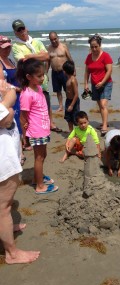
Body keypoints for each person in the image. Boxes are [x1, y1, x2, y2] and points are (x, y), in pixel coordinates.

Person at [0, 79, 40, 264]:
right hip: (2, 159)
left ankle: (6, 228)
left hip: (7, 154)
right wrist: (8, 101)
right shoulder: (7, 95)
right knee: (3, 207)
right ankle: (11, 253)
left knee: (5, 205)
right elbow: (5, 118)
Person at [16, 58, 59, 194]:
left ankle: (36, 178)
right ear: (29, 77)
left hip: (43, 128)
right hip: (36, 131)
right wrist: (25, 137)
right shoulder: (26, 94)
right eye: (39, 76)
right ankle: (40, 186)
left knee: (43, 155)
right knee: (39, 157)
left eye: (43, 75)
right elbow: (23, 117)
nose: (42, 78)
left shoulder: (38, 88)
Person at [11, 19, 61, 133]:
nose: (22, 31)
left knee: (46, 102)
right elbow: (23, 62)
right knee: (30, 107)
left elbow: (47, 56)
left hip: (42, 80)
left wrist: (30, 56)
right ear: (15, 33)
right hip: (29, 82)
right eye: (18, 30)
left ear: (26, 28)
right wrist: (37, 56)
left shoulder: (37, 42)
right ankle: (33, 127)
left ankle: (50, 123)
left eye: (22, 28)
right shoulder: (16, 46)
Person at [0, 35, 26, 165]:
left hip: (18, 97)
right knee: (12, 124)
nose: (7, 50)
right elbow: (2, 83)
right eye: (4, 48)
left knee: (20, 124)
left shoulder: (10, 60)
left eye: (9, 47)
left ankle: (20, 151)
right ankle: (17, 155)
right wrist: (17, 89)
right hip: (9, 99)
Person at [84, 34, 113, 136]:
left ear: (100, 45)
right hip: (95, 84)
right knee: (100, 105)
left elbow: (109, 70)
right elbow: (87, 72)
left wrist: (102, 82)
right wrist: (86, 84)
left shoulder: (105, 56)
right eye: (92, 47)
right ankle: (103, 122)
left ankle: (104, 125)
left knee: (103, 104)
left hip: (106, 83)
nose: (94, 49)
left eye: (96, 46)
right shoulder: (89, 57)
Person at [48, 31, 74, 112]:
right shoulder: (49, 48)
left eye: (55, 39)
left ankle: (69, 104)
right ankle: (60, 106)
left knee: (68, 89)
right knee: (58, 91)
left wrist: (73, 72)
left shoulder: (63, 46)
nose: (54, 41)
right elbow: (48, 61)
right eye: (51, 40)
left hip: (64, 72)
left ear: (58, 37)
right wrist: (45, 73)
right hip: (54, 72)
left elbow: (70, 59)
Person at [62, 60, 80, 132]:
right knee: (68, 118)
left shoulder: (73, 80)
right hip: (68, 100)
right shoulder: (68, 78)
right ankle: (71, 132)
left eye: (63, 70)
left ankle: (79, 132)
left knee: (75, 118)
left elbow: (76, 94)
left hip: (74, 101)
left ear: (66, 71)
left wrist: (72, 105)